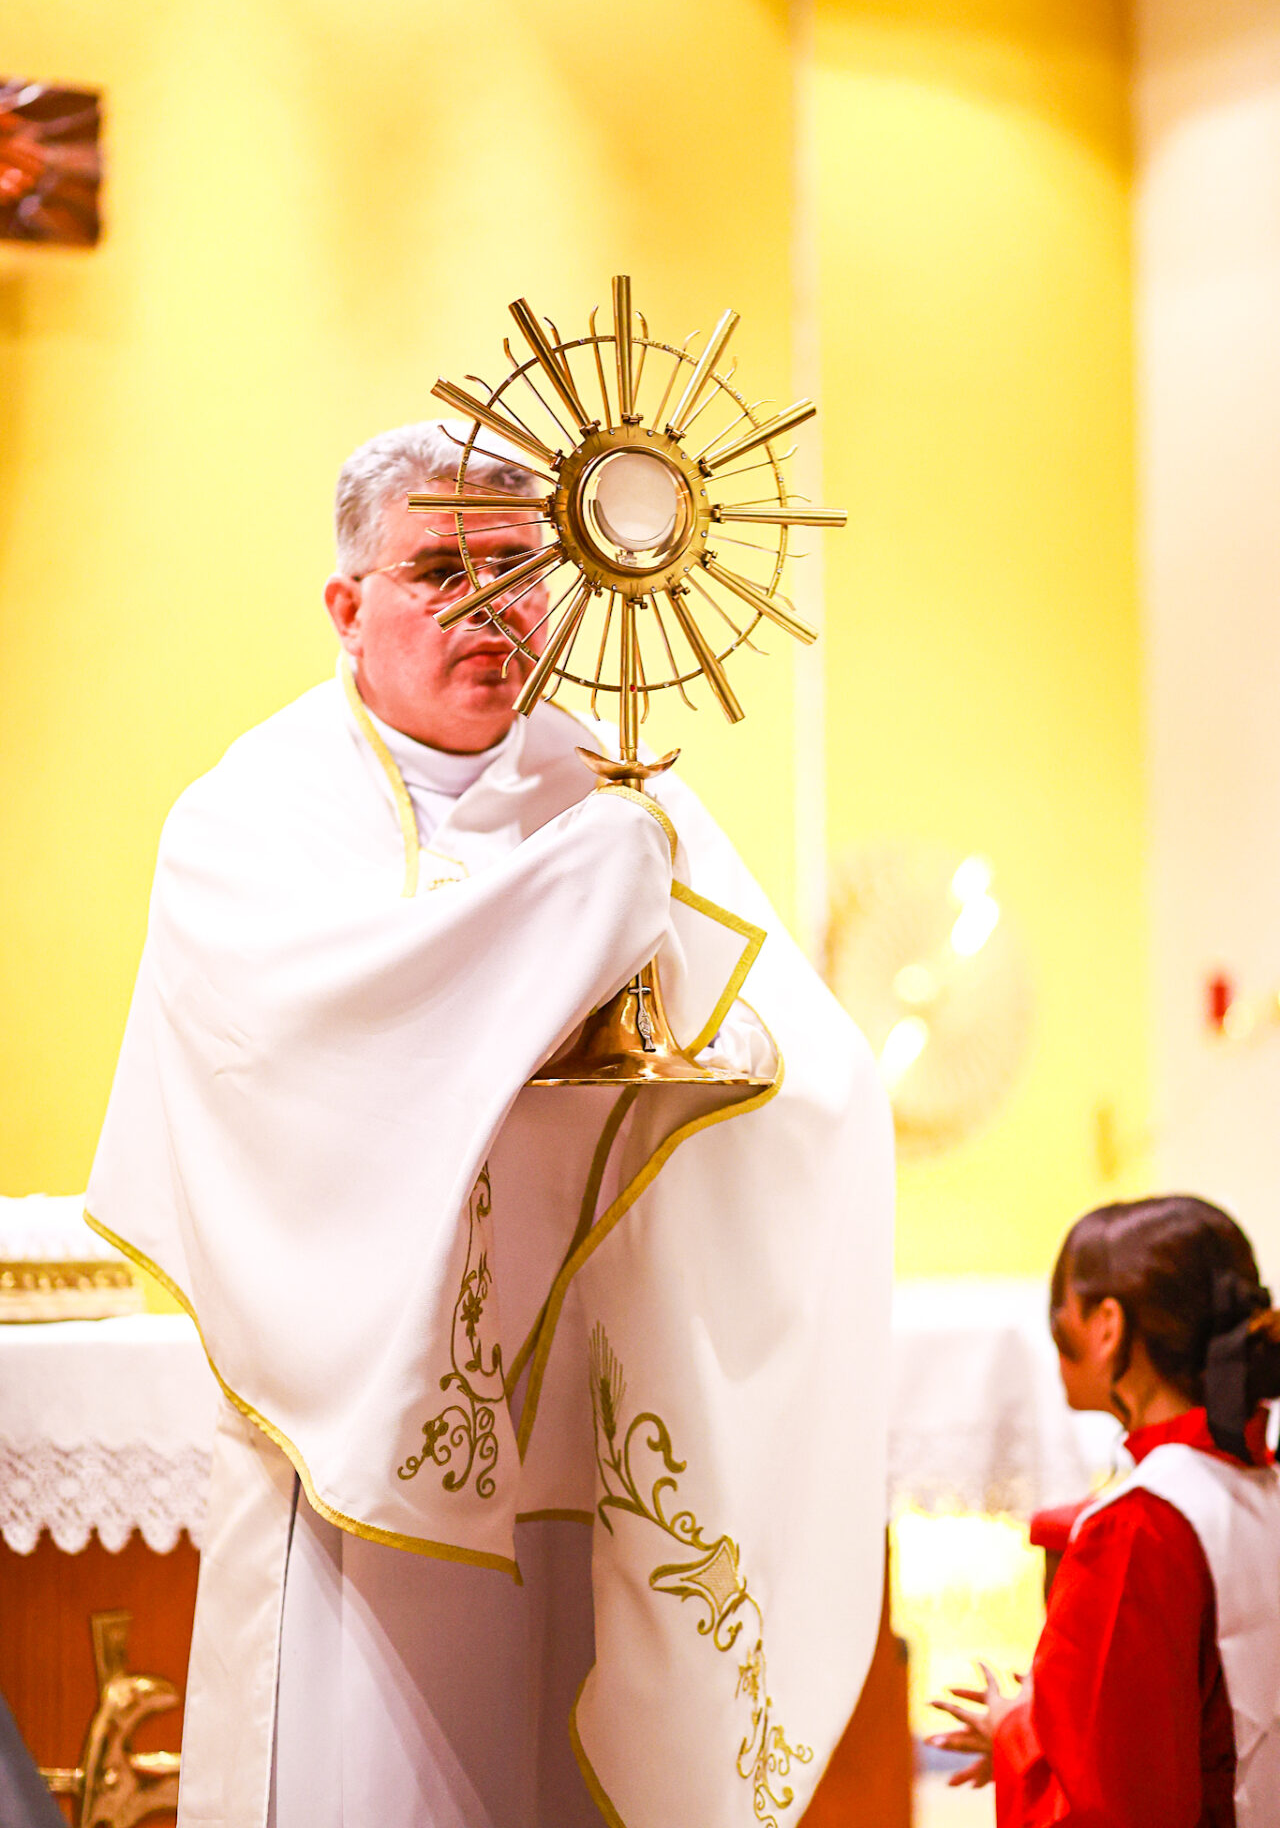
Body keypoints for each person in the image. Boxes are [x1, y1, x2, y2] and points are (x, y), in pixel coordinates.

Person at [85, 421, 895, 1828]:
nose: (490, 610)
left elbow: (816, 1067)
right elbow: (302, 1070)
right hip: (360, 1453)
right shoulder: (249, 820)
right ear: (347, 606)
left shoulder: (615, 795)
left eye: (520, 571)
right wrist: (568, 908)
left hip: (576, 1437)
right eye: (440, 570)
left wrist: (730, 1059)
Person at [931, 1194, 1280, 1827]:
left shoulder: (1135, 1528)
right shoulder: (1261, 1481)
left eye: (1061, 1308)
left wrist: (1015, 1732)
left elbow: (1108, 1808)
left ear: (1107, 1325)